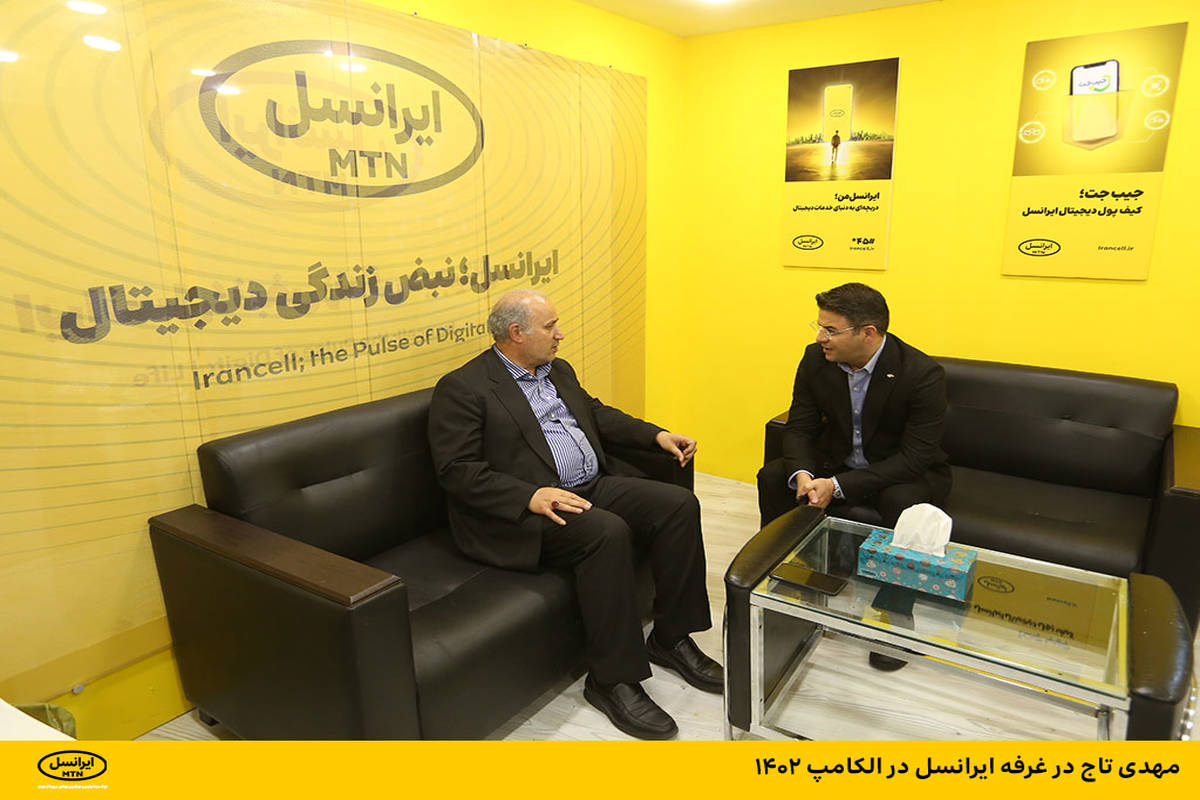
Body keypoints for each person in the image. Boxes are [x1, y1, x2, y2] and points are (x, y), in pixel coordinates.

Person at [428, 289, 722, 739]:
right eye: (550, 326)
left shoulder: (557, 370)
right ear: (516, 333)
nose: (560, 334)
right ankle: (611, 680)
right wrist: (529, 496)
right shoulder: (464, 388)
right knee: (607, 532)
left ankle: (671, 638)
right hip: (525, 511)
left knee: (678, 504)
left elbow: (596, 415)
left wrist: (655, 435)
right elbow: (457, 470)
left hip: (589, 486)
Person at [758, 281, 950, 531]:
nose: (820, 337)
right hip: (836, 459)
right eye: (820, 327)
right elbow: (799, 427)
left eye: (830, 330)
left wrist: (836, 486)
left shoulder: (922, 374)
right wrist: (803, 476)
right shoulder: (816, 358)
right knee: (773, 476)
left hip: (894, 470)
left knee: (901, 502)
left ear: (868, 333)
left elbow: (914, 458)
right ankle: (782, 553)